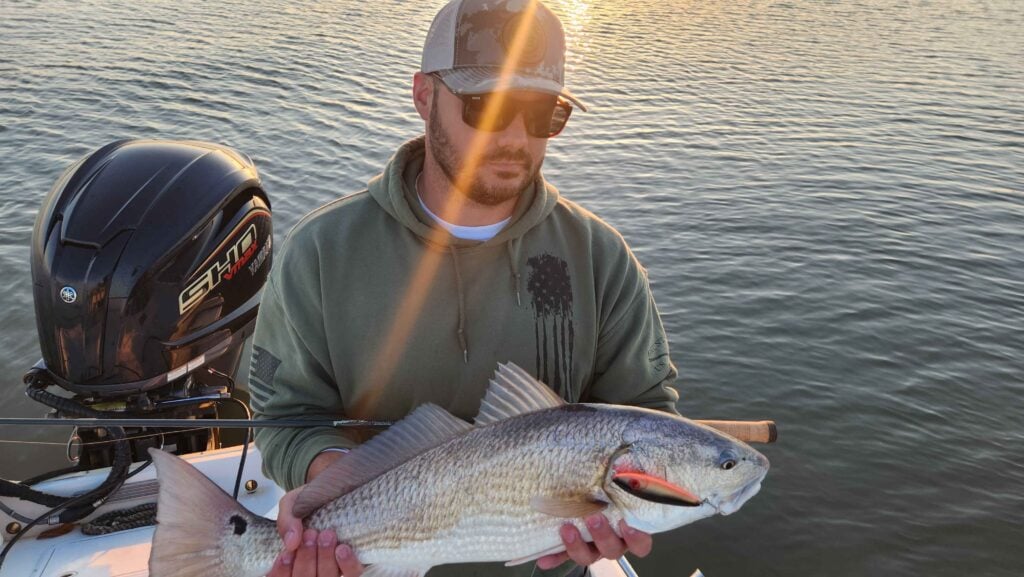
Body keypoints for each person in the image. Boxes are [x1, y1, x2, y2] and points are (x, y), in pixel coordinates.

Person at [250, 1, 680, 575]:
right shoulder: (320, 253)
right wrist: (335, 476)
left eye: (542, 113)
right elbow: (285, 415)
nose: (515, 136)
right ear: (424, 95)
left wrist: (629, 504)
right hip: (370, 558)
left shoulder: (601, 259)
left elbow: (645, 414)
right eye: (488, 107)